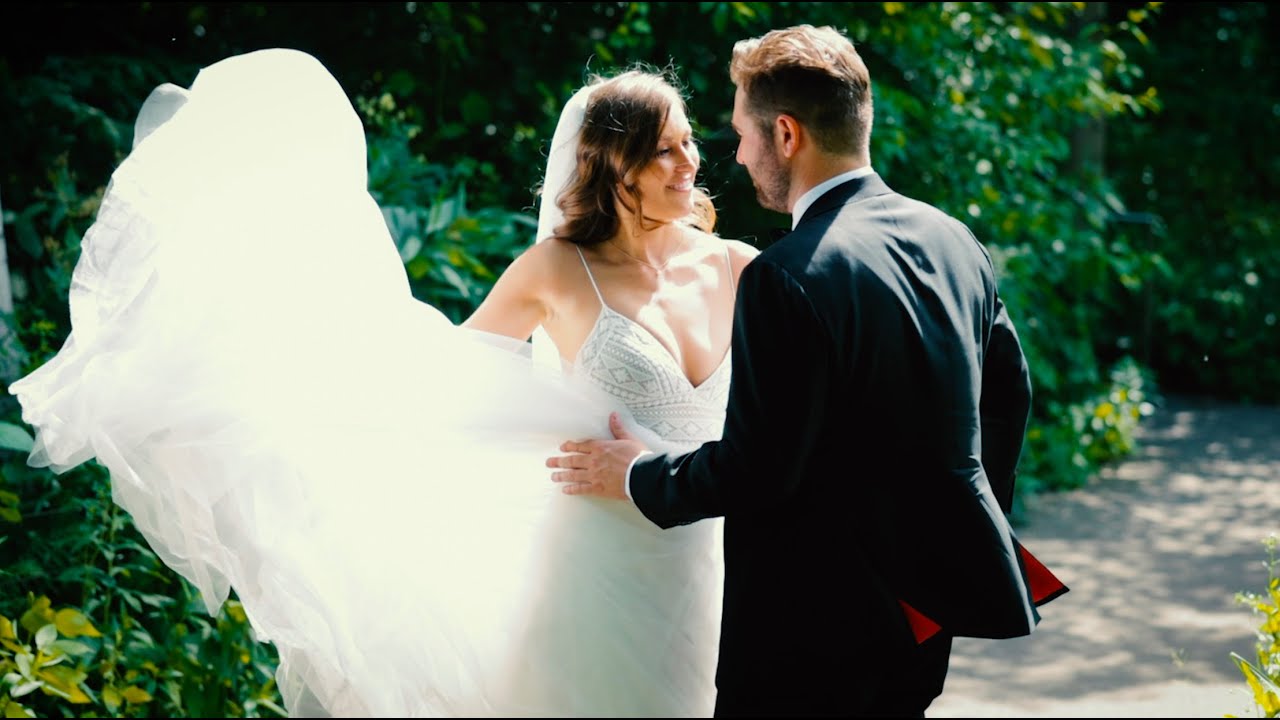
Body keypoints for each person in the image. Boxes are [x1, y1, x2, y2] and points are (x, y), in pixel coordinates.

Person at [8, 49, 755, 717]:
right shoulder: (556, 271)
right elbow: (451, 384)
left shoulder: (739, 266)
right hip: (599, 571)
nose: (691, 161)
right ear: (615, 166)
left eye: (689, 140)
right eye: (665, 149)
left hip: (725, 551)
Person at [546, 24, 1068, 717]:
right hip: (918, 622)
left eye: (742, 133)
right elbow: (1008, 397)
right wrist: (955, 528)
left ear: (786, 136)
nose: (734, 153)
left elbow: (759, 468)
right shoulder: (953, 242)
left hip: (803, 643)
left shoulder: (786, 278)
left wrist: (639, 474)